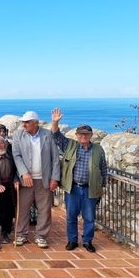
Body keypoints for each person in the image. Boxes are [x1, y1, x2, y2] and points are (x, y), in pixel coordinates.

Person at [51, 108, 107, 253]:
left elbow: (103, 169)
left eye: (86, 134)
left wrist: (103, 187)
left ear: (91, 135)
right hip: (73, 188)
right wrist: (55, 122)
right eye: (81, 134)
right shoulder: (70, 145)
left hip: (90, 188)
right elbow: (56, 136)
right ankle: (72, 240)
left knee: (89, 217)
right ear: (76, 135)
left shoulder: (98, 150)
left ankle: (88, 241)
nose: (83, 136)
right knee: (71, 216)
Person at [12, 111, 61, 248]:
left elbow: (55, 158)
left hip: (44, 179)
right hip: (25, 180)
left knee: (44, 209)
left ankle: (41, 236)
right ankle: (21, 235)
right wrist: (23, 173)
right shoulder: (18, 135)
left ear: (35, 123)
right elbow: (16, 156)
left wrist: (55, 178)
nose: (24, 124)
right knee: (22, 209)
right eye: (23, 122)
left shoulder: (47, 134)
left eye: (27, 122)